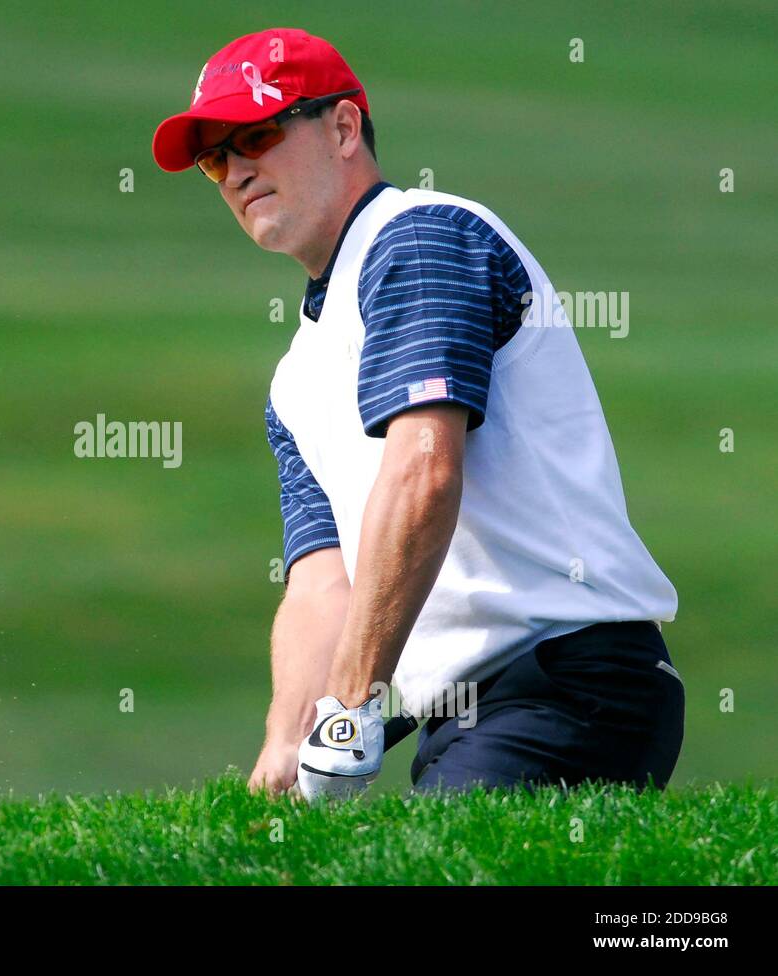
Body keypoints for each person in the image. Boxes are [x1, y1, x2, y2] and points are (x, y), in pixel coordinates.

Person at [151, 28, 684, 797]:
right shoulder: (293, 378)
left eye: (258, 134)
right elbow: (320, 584)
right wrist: (288, 745)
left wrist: (351, 701)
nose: (237, 170)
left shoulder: (421, 237)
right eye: (214, 158)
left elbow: (425, 471)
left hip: (570, 682)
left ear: (341, 128)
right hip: (465, 715)